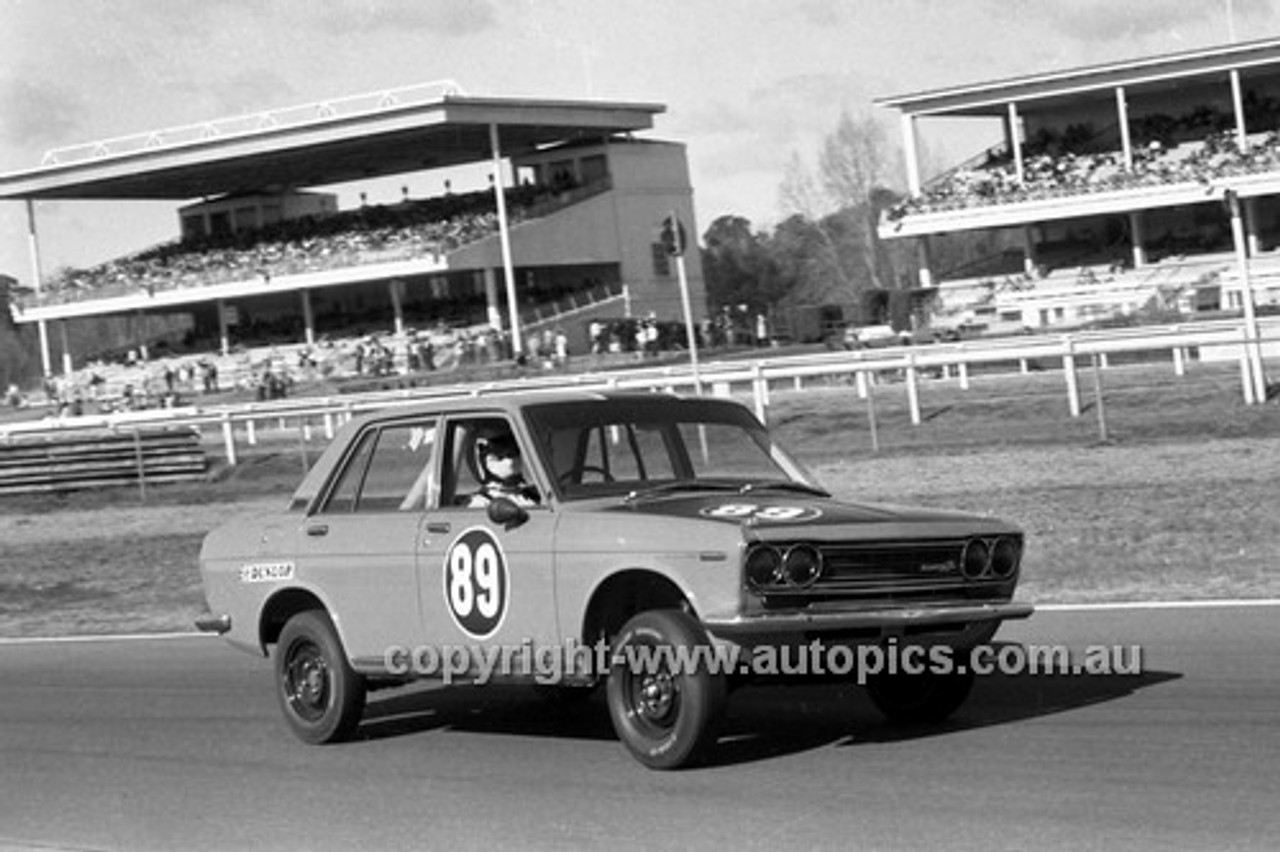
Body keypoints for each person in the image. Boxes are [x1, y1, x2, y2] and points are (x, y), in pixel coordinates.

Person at [468, 432, 539, 508]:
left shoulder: (533, 495)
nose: (511, 459)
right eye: (500, 457)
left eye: (514, 453)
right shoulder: (481, 504)